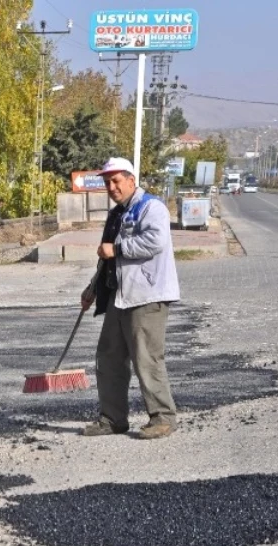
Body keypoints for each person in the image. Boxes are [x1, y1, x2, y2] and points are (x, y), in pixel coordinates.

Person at [79, 157, 180, 440]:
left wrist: (119, 248)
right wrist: (93, 288)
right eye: (107, 182)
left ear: (131, 180)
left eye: (116, 181)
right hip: (119, 297)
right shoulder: (117, 214)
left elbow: (155, 241)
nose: (111, 187)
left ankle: (162, 417)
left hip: (147, 296)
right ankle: (113, 418)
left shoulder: (151, 207)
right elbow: (107, 258)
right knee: (109, 357)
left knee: (146, 358)